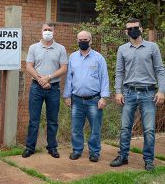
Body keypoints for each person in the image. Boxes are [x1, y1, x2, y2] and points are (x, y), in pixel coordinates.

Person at [110, 18, 165, 171]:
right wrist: (118, 92)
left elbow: (160, 70)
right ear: (126, 31)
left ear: (141, 29)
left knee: (148, 129)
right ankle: (123, 156)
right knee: (125, 127)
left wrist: (161, 91)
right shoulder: (122, 49)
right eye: (129, 28)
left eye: (135, 27)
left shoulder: (152, 47)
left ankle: (148, 160)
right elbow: (119, 72)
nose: (132, 30)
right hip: (128, 93)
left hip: (148, 93)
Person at [22, 22, 68, 159]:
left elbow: (64, 68)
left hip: (53, 88)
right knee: (33, 120)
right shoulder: (33, 48)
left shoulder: (61, 48)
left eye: (50, 30)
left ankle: (52, 147)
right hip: (36, 87)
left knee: (52, 120)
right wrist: (41, 80)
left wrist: (48, 78)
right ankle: (30, 147)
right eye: (45, 29)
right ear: (41, 31)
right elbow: (29, 66)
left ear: (54, 32)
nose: (47, 32)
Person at [63, 31, 110, 162]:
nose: (83, 41)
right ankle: (77, 150)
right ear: (77, 41)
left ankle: (94, 152)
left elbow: (104, 78)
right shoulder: (72, 57)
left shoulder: (99, 58)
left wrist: (104, 97)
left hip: (94, 100)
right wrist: (67, 96)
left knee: (95, 128)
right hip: (76, 99)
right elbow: (69, 78)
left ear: (90, 41)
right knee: (76, 128)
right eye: (80, 39)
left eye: (85, 39)